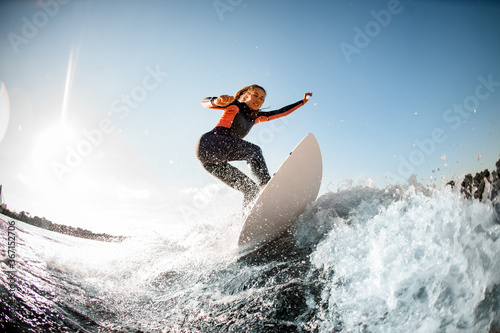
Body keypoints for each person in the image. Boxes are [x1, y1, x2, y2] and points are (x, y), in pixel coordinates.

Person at [195, 84, 312, 207]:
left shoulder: (257, 117)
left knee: (250, 189)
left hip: (211, 163)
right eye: (255, 95)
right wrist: (217, 100)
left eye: (262, 98)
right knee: (254, 151)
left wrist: (302, 102)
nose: (258, 100)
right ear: (246, 96)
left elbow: (282, 113)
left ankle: (247, 218)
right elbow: (205, 102)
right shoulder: (235, 105)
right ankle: (266, 186)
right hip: (209, 143)